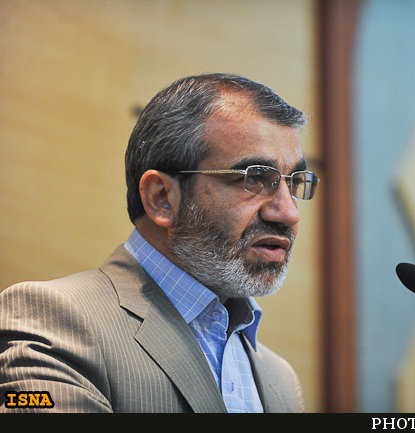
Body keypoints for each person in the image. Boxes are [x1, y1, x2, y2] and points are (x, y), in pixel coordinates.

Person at [0, 73, 319, 413]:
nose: (288, 213)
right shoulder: (52, 322)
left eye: (294, 182)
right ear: (162, 198)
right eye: (255, 177)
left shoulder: (280, 378)